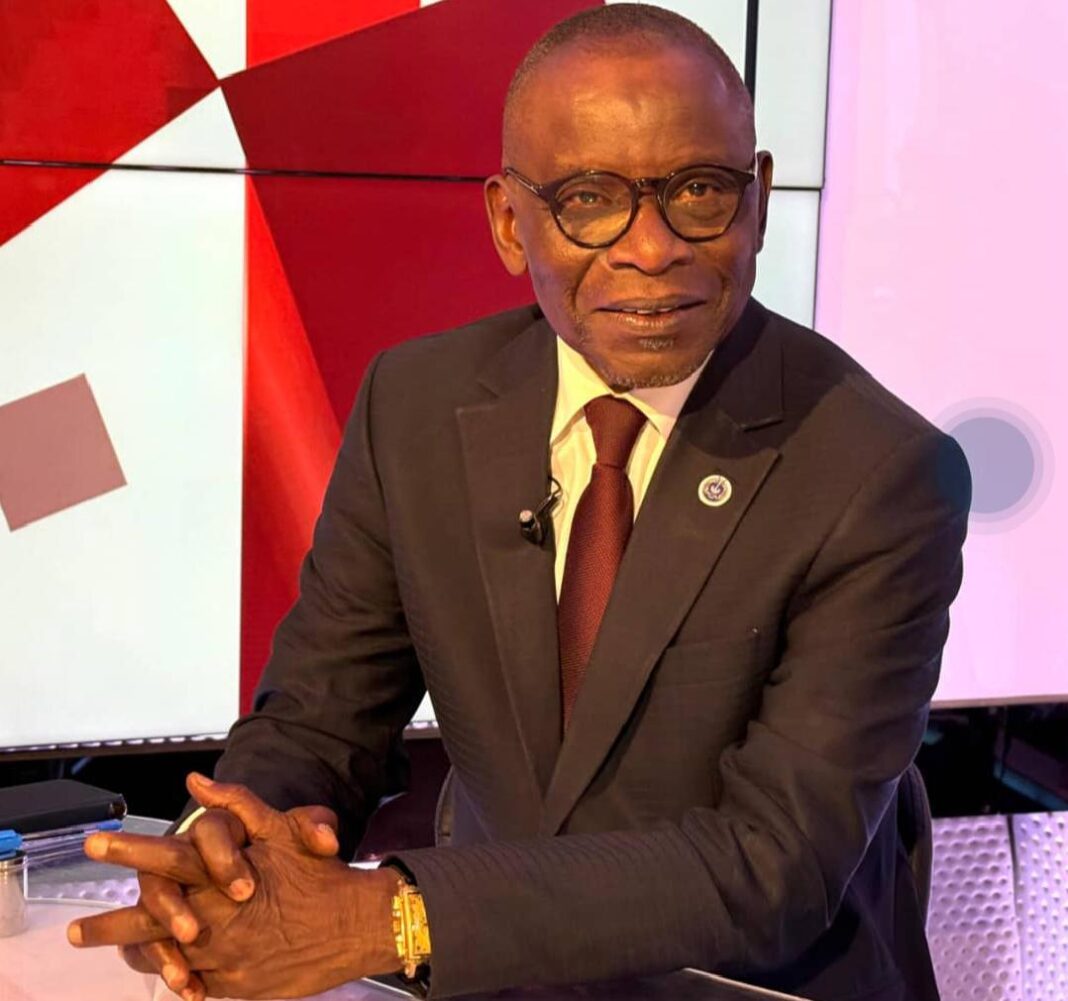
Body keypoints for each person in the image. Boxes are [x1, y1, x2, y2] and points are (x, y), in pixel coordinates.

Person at [67, 6, 970, 1001]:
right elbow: (323, 720)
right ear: (509, 221)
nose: (652, 246)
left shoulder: (882, 473)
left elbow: (774, 862)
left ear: (756, 198)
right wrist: (222, 856)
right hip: (492, 976)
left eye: (699, 191)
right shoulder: (415, 404)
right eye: (590, 200)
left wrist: (389, 917)